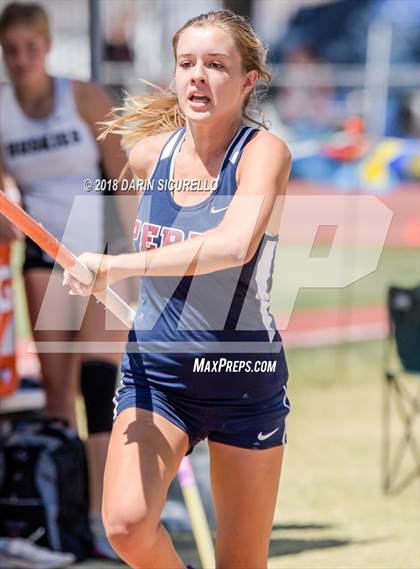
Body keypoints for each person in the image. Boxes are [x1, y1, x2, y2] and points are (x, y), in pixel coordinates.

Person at [64, 9, 292, 569]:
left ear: (247, 81)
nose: (197, 76)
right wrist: (93, 269)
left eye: (216, 65)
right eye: (187, 63)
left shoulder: (264, 153)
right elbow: (127, 243)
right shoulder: (148, 158)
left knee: (241, 560)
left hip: (244, 378)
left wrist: (120, 266)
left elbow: (234, 244)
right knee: (126, 527)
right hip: (158, 373)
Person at [0, 2, 132, 559]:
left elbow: (123, 178)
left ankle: (109, 517)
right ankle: (68, 515)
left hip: (100, 251)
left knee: (101, 385)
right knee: (56, 398)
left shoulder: (82, 97)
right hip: (42, 257)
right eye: (11, 51)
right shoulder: (2, 110)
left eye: (32, 48)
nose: (23, 59)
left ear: (47, 47)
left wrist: (131, 259)